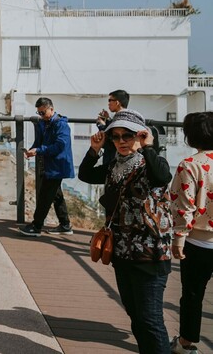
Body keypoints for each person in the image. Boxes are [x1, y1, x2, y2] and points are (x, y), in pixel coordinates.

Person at [79, 109, 173, 354]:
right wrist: (94, 149)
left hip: (151, 253)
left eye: (127, 136)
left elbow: (163, 175)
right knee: (136, 316)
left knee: (150, 320)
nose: (121, 141)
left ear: (140, 136)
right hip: (122, 252)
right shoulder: (113, 167)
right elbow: (86, 174)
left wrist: (147, 146)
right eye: (116, 136)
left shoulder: (149, 164)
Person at [168, 112, 213, 354]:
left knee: (193, 294)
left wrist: (178, 239)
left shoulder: (190, 165)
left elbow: (184, 206)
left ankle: (186, 344)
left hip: (199, 241)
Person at [19, 97, 75, 236]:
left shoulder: (61, 125)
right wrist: (33, 149)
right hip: (51, 165)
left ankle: (36, 226)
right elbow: (40, 142)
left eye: (43, 112)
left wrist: (38, 150)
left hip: (58, 166)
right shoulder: (44, 123)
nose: (41, 116)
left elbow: (60, 145)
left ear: (51, 109)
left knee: (45, 196)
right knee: (56, 195)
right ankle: (65, 224)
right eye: (39, 113)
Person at [96, 89, 130, 166]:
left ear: (117, 102)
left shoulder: (119, 119)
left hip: (113, 160)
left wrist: (101, 125)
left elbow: (109, 141)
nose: (108, 103)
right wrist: (108, 120)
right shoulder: (127, 117)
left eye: (110, 100)